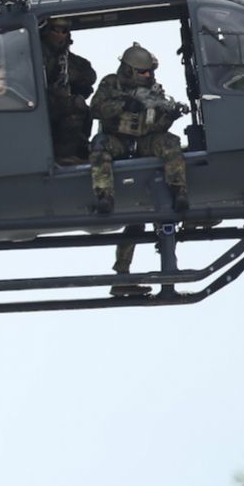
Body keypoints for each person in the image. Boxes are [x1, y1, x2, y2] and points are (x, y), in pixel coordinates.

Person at [89, 43, 190, 297]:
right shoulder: (111, 84)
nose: (149, 77)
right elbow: (96, 109)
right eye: (143, 73)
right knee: (99, 146)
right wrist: (126, 104)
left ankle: (179, 190)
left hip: (144, 143)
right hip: (118, 142)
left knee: (171, 143)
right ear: (130, 70)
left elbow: (158, 125)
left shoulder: (155, 91)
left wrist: (169, 115)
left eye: (149, 73)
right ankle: (104, 195)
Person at [40, 18, 95, 165]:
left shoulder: (67, 58)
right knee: (75, 105)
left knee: (85, 109)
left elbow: (88, 77)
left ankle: (78, 148)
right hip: (40, 106)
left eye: (63, 31)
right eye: (55, 30)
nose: (59, 35)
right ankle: (65, 156)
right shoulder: (37, 54)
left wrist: (75, 76)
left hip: (59, 105)